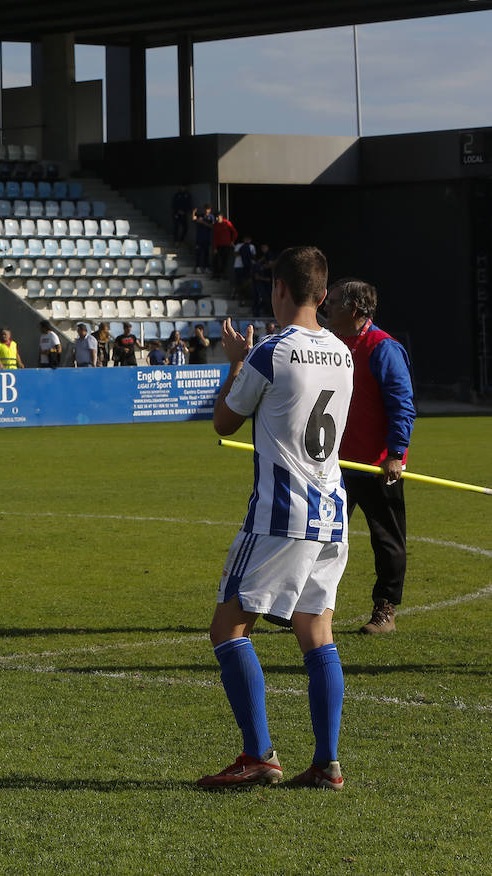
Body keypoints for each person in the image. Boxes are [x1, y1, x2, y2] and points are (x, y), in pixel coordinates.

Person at [199, 245, 354, 791]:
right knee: (316, 630)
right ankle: (327, 762)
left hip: (280, 514)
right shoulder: (343, 352)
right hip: (332, 513)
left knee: (228, 627)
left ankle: (258, 754)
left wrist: (236, 360)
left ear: (280, 290)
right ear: (324, 293)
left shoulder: (270, 353)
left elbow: (223, 423)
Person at [324, 279, 416, 636]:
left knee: (387, 541)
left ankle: (386, 609)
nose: (325, 307)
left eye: (332, 302)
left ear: (355, 309)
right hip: (336, 464)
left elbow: (402, 405)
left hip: (378, 466)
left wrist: (395, 454)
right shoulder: (331, 345)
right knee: (323, 537)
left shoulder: (383, 348)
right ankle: (309, 607)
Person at [212, 211, 238, 281]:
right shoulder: (215, 225)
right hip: (219, 246)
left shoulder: (227, 223)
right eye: (216, 217)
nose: (217, 218)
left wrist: (232, 241)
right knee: (216, 260)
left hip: (226, 245)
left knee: (224, 261)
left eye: (218, 217)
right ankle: (216, 274)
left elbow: (234, 232)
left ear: (221, 217)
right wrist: (214, 247)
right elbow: (215, 237)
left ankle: (222, 274)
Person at [192, 203, 215, 275]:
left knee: (206, 253)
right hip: (199, 237)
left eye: (208, 209)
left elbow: (212, 226)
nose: (206, 210)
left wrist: (203, 222)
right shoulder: (200, 215)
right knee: (198, 252)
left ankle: (206, 267)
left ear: (210, 210)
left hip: (207, 238)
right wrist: (193, 212)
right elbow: (194, 219)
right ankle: (198, 267)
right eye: (205, 209)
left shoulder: (211, 217)